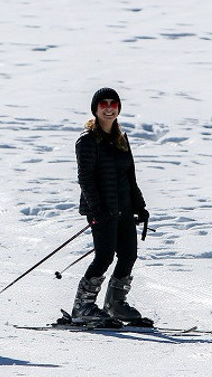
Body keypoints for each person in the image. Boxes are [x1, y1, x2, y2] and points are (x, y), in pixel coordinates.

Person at [71, 87, 151, 325]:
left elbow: (130, 177)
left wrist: (140, 206)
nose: (109, 108)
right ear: (95, 109)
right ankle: (82, 307)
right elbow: (85, 179)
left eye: (113, 104)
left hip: (124, 208)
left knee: (128, 255)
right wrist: (97, 209)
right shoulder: (87, 141)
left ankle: (115, 304)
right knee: (104, 256)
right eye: (103, 104)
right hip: (102, 211)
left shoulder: (121, 140)